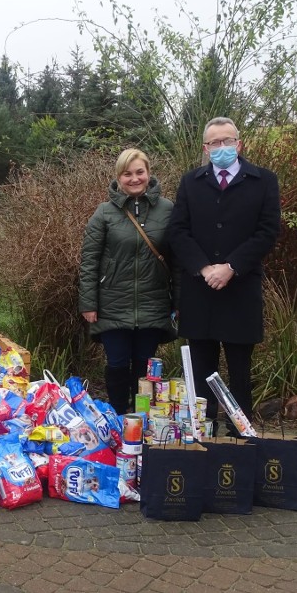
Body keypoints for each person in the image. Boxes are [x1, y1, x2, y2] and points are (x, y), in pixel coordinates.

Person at [168, 116, 281, 434]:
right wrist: (204, 268)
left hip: (240, 289)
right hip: (200, 289)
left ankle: (239, 436)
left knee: (240, 372)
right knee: (202, 370)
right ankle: (203, 435)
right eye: (215, 143)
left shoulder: (263, 181)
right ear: (206, 148)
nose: (222, 147)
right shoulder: (191, 182)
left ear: (239, 144)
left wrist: (231, 267)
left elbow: (267, 231)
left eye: (227, 141)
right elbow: (178, 231)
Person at [78, 148, 178, 415]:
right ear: (118, 177)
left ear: (148, 173)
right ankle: (119, 417)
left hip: (152, 301)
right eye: (127, 174)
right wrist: (88, 303)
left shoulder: (168, 210)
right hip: (112, 301)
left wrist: (179, 301)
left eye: (139, 172)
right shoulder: (104, 213)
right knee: (117, 364)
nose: (134, 179)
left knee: (145, 366)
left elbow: (178, 259)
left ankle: (141, 420)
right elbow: (89, 259)